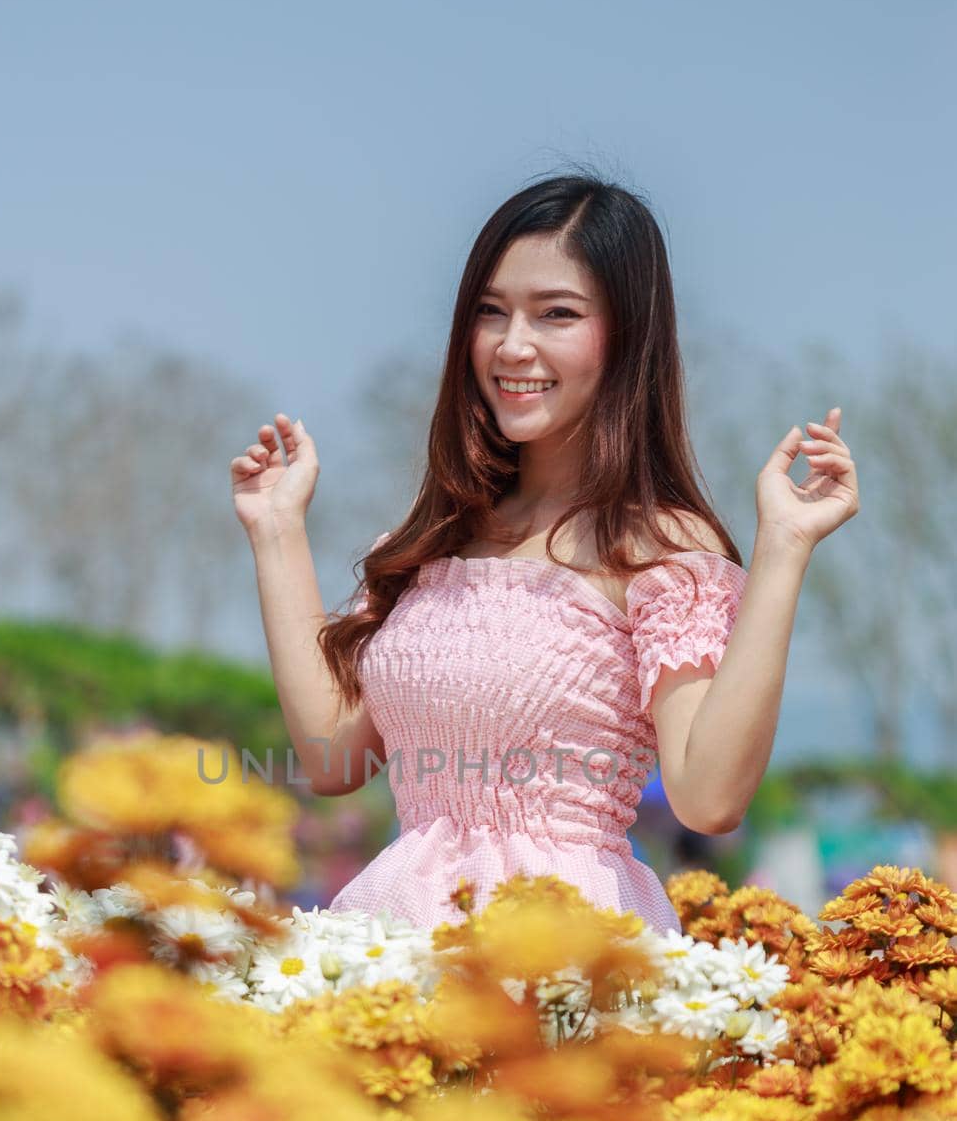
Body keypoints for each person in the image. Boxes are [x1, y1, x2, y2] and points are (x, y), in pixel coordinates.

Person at [231, 171, 860, 935]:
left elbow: (707, 797)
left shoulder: (657, 550)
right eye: (490, 313)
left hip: (561, 963)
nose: (512, 345)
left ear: (625, 335)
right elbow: (333, 760)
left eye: (555, 314)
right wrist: (275, 530)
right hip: (396, 943)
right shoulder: (435, 540)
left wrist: (783, 551)